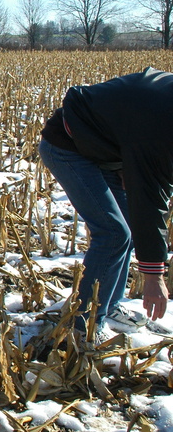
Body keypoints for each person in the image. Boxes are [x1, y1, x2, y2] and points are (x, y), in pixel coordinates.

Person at [39, 68, 171, 341]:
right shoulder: (162, 124)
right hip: (68, 145)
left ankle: (108, 305)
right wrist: (153, 275)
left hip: (106, 148)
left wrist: (128, 161)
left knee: (129, 229)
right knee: (113, 233)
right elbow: (150, 199)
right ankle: (82, 326)